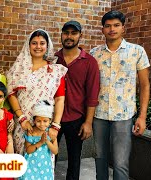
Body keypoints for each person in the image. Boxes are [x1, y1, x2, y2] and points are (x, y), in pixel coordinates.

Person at [90, 10, 150, 180]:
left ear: (123, 28)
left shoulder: (137, 52)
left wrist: (142, 117)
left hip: (124, 116)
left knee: (120, 163)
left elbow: (145, 85)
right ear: (102, 29)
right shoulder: (95, 54)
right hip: (99, 114)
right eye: (107, 26)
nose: (112, 29)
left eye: (116, 25)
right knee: (99, 159)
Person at [6, 29, 67, 155]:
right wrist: (22, 119)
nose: (38, 46)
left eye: (42, 43)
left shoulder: (55, 71)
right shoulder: (19, 69)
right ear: (28, 45)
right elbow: (11, 94)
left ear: (47, 46)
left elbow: (60, 99)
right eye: (34, 43)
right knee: (21, 159)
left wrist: (55, 125)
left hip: (45, 125)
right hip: (23, 123)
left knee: (42, 161)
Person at [55, 20, 100, 180]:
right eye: (66, 32)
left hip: (76, 118)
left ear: (80, 35)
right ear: (61, 34)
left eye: (73, 33)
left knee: (74, 161)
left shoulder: (89, 62)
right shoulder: (53, 60)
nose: (69, 36)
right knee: (48, 157)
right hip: (53, 118)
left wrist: (88, 122)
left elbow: (92, 95)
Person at [20, 100, 58, 180]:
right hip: (30, 165)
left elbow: (55, 151)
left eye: (45, 121)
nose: (42, 124)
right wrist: (41, 142)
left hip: (45, 167)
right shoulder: (31, 131)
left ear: (50, 121)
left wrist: (47, 141)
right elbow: (28, 150)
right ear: (34, 121)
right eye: (38, 121)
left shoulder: (51, 133)